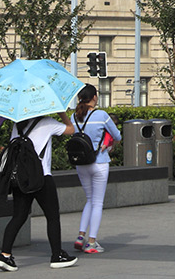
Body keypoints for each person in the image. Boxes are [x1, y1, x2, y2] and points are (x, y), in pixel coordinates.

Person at [0, 112, 78, 272]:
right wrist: (63, 113)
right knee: (52, 216)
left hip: (20, 178)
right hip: (42, 177)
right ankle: (57, 256)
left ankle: (5, 255)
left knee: (18, 217)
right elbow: (71, 130)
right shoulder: (48, 122)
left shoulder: (17, 124)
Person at [70, 84, 122, 254]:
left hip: (81, 164)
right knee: (97, 202)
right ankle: (91, 242)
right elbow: (117, 136)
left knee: (89, 199)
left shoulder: (74, 116)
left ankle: (80, 236)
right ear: (93, 97)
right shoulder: (101, 115)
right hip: (99, 162)